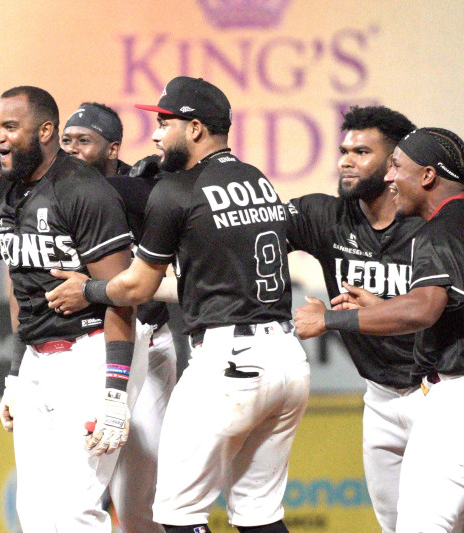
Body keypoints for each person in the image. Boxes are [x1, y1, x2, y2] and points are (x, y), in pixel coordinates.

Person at [45, 76, 310, 533]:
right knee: (259, 514)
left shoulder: (177, 191)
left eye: (164, 122)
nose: (154, 134)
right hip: (287, 359)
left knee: (177, 514)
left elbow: (136, 289)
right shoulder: (256, 178)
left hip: (230, 362)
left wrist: (87, 289)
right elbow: (203, 279)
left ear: (194, 129)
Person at [294, 127, 464, 532]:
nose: (390, 178)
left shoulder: (440, 228)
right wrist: (384, 308)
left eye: (397, 166)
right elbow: (459, 309)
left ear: (427, 176)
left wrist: (330, 319)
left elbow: (424, 309)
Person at [0, 86, 143, 532]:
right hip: (36, 358)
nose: (0, 138)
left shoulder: (83, 189)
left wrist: (115, 394)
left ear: (46, 130)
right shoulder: (8, 188)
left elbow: (125, 294)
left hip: (91, 351)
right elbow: (22, 290)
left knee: (76, 512)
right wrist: (13, 374)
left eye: (11, 127)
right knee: (35, 513)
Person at [285, 105, 424, 532]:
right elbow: (245, 233)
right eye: (344, 150)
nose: (345, 161)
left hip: (438, 393)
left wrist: (349, 316)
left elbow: (438, 313)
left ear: (394, 164)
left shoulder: (431, 227)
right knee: (393, 524)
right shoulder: (325, 216)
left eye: (362, 152)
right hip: (379, 396)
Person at [62, 102, 178, 533]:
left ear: (112, 148)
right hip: (94, 345)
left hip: (149, 340)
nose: (72, 149)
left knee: (139, 503)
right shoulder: (59, 191)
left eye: (83, 141)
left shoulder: (142, 187)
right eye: (66, 141)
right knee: (82, 492)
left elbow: (155, 199)